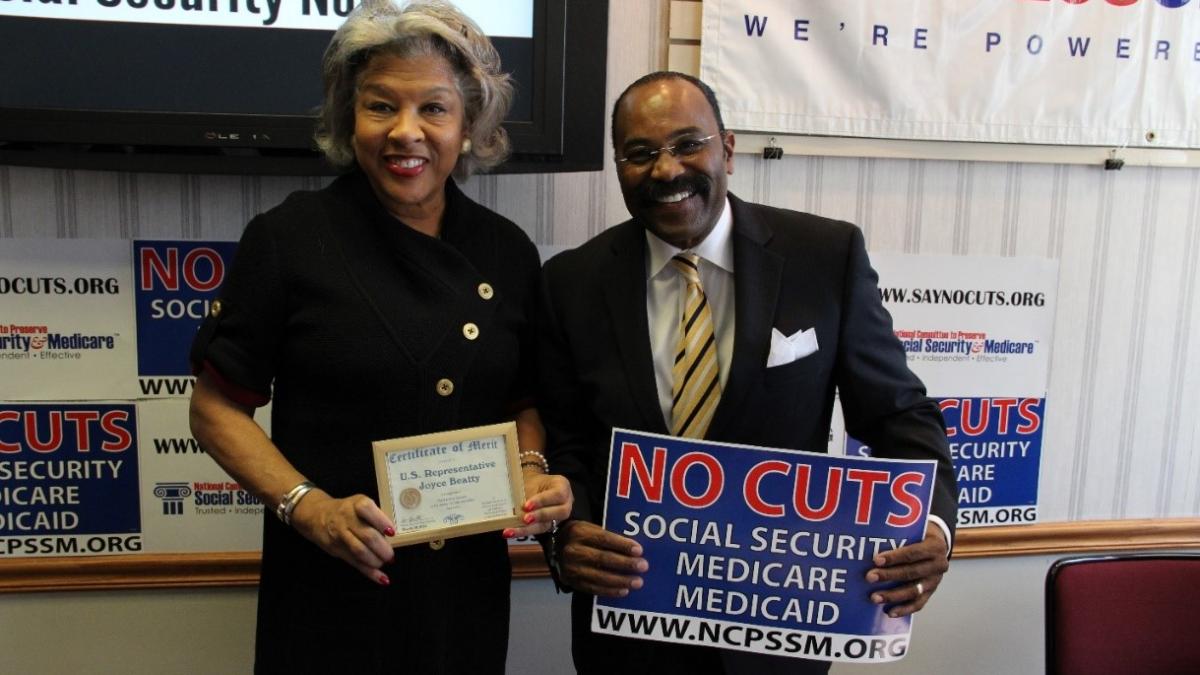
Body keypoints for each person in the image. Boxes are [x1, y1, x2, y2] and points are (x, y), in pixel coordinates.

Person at [187, 2, 571, 672]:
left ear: (470, 123)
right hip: (330, 589)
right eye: (380, 106)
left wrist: (534, 473)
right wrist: (308, 508)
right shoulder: (289, 238)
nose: (406, 133)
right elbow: (216, 408)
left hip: (463, 595)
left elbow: (525, 402)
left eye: (434, 108)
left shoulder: (506, 251)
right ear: (348, 116)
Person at [537, 71, 958, 675]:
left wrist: (935, 526)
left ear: (726, 149)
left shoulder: (825, 257)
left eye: (688, 144)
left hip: (781, 636)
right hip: (628, 635)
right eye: (639, 153)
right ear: (618, 167)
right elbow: (567, 443)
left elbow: (898, 416)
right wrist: (565, 535)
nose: (666, 170)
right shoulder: (569, 284)